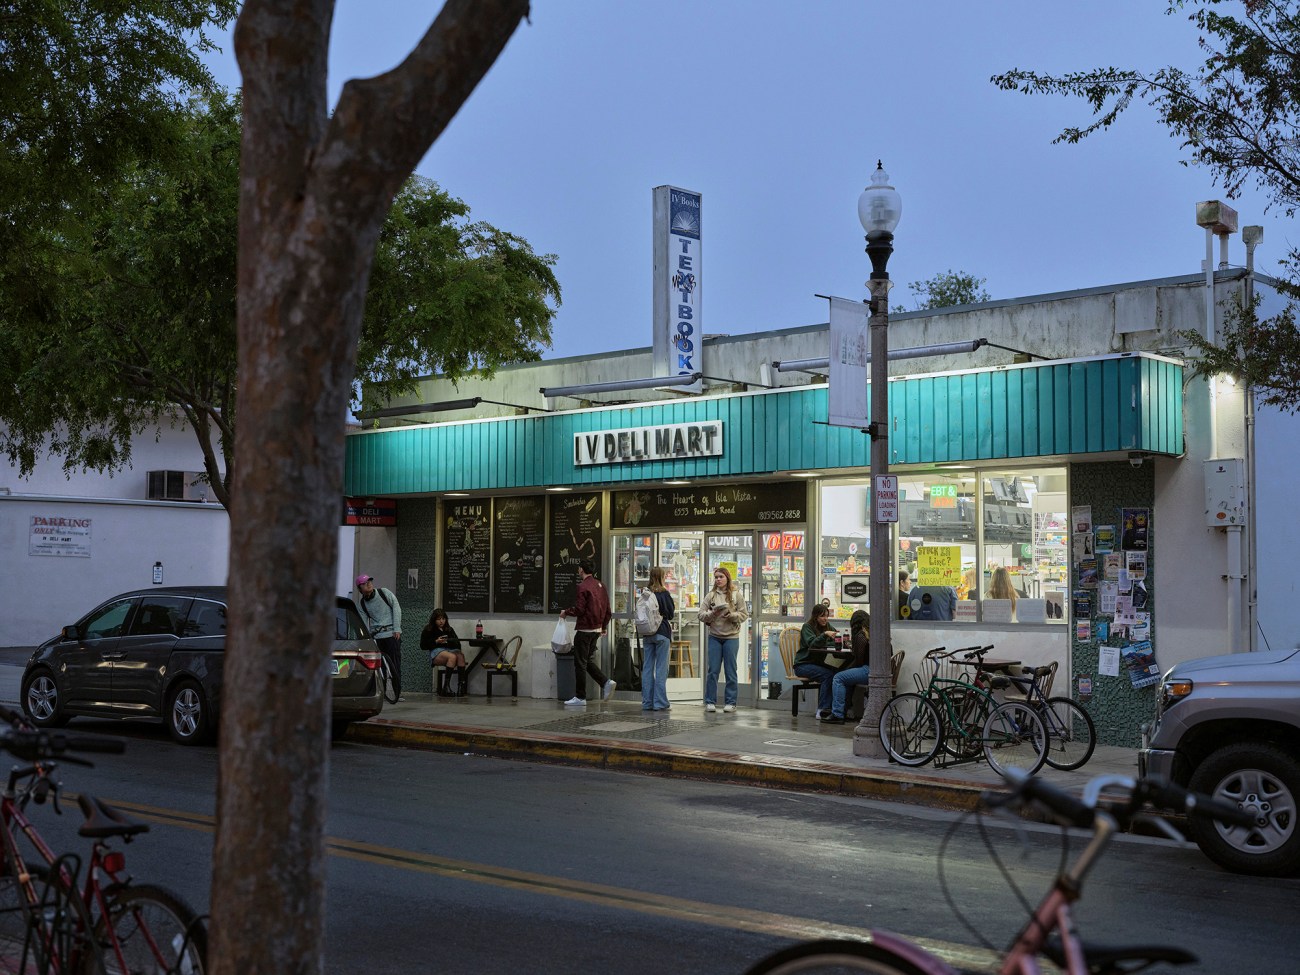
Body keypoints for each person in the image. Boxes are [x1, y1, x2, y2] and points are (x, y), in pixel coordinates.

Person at [560, 559, 615, 706]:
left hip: (584, 629)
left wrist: (566, 612)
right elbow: (608, 611)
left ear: (581, 570)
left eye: (578, 569)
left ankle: (580, 697)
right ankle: (606, 682)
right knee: (587, 660)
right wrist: (603, 627)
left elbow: (579, 609)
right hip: (596, 630)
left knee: (579, 663)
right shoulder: (601, 586)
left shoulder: (582, 586)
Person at [700, 566, 749, 713]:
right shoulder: (711, 596)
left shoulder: (736, 595)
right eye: (716, 577)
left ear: (727, 578)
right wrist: (712, 614)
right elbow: (701, 614)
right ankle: (710, 701)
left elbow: (744, 615)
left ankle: (731, 702)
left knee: (731, 670)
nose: (718, 580)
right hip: (714, 636)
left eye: (721, 577)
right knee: (713, 670)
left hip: (731, 637)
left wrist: (732, 615)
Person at [356, 574, 403, 701]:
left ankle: (397, 692)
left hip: (392, 633)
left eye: (370, 581)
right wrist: (367, 638)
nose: (369, 584)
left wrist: (397, 628)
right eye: (365, 583)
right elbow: (364, 623)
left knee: (395, 663)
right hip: (377, 636)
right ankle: (382, 693)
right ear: (360, 589)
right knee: (379, 666)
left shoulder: (384, 592)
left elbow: (396, 607)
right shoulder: (362, 604)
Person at [825, 610, 871, 725]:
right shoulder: (872, 631)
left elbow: (859, 661)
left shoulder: (861, 635)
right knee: (845, 677)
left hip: (869, 670)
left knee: (838, 678)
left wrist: (846, 670)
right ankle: (845, 711)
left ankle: (837, 714)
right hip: (877, 669)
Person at [794, 603, 839, 720]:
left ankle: (837, 709)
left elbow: (836, 641)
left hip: (816, 664)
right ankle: (822, 710)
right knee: (828, 675)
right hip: (803, 664)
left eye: (826, 616)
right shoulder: (807, 627)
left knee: (838, 673)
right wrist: (825, 635)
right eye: (822, 616)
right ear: (815, 617)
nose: (825, 619)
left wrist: (827, 639)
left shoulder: (827, 626)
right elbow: (812, 644)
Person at [641, 566, 674, 711]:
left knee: (647, 668)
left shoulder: (645, 593)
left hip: (647, 633)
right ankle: (660, 703)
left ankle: (647, 702)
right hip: (662, 633)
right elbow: (670, 614)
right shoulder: (664, 593)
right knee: (661, 668)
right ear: (662, 577)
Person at [421, 608, 467, 696]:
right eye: (438, 619)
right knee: (452, 657)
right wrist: (436, 642)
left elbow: (457, 643)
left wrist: (448, 641)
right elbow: (423, 645)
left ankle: (461, 686)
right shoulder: (429, 629)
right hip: (436, 651)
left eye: (443, 619)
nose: (441, 621)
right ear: (434, 620)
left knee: (461, 656)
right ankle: (446, 687)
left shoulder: (449, 629)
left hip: (450, 649)